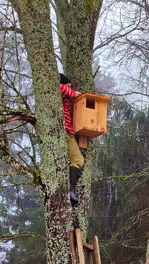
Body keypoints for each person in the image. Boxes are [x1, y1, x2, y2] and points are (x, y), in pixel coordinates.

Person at [59, 73, 84, 205]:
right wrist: (74, 93)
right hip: (65, 132)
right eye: (68, 86)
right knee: (78, 160)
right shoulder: (60, 91)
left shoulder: (64, 99)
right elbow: (59, 88)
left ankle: (70, 190)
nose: (69, 88)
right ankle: (71, 190)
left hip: (67, 132)